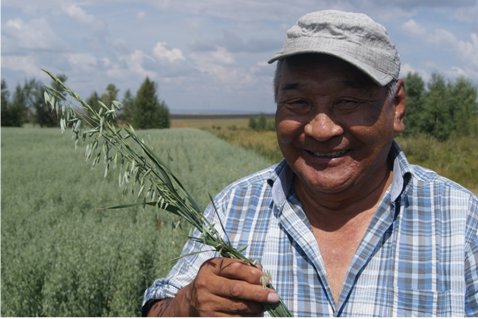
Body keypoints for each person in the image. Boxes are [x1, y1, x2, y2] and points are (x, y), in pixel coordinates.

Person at [142, 10, 478, 317]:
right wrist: (187, 305)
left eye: (347, 102)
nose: (321, 129)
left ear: (398, 106)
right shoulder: (235, 208)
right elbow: (161, 307)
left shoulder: (460, 221)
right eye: (298, 102)